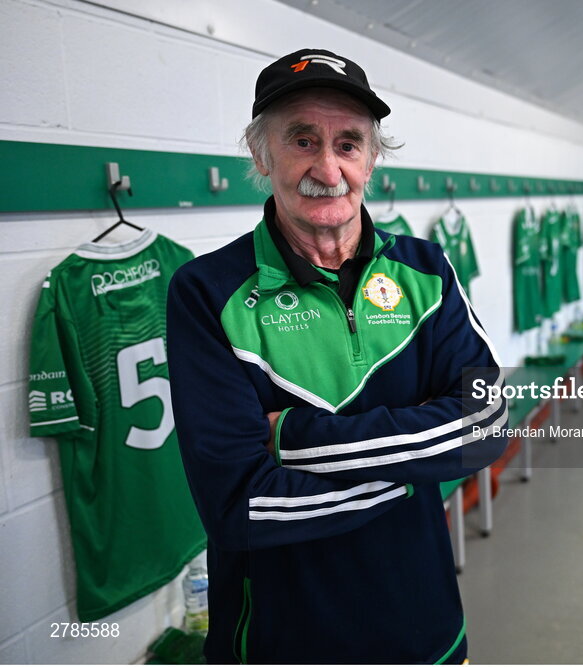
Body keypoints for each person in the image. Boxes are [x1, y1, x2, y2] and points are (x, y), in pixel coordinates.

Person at [167, 48, 508, 664]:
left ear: (373, 158)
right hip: (280, 641)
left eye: (348, 143)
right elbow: (242, 507)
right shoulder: (206, 294)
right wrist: (414, 471)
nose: (327, 167)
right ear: (261, 155)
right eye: (302, 140)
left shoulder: (425, 270)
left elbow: (485, 424)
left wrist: (296, 439)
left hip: (426, 629)